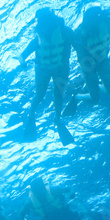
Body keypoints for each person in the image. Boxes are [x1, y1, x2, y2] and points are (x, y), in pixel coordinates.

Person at [20, 8, 75, 145]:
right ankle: (32, 116)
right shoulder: (38, 38)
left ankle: (57, 118)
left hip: (60, 68)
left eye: (46, 21)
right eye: (42, 22)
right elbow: (23, 54)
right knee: (40, 94)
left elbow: (77, 45)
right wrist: (22, 62)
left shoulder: (65, 32)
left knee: (58, 93)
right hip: (43, 69)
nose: (45, 25)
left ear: (53, 19)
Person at [65, 6, 110, 113]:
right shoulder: (80, 32)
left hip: (103, 61)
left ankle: (95, 85)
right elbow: (80, 54)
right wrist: (88, 72)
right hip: (88, 65)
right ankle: (76, 97)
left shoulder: (107, 24)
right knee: (95, 98)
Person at [19, 176, 104, 220]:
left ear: (44, 187)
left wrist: (71, 194)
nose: (41, 192)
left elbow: (68, 189)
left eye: (42, 189)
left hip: (63, 211)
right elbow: (21, 213)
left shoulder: (53, 189)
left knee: (78, 218)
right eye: (38, 191)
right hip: (48, 218)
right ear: (34, 191)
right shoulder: (29, 201)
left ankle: (85, 212)